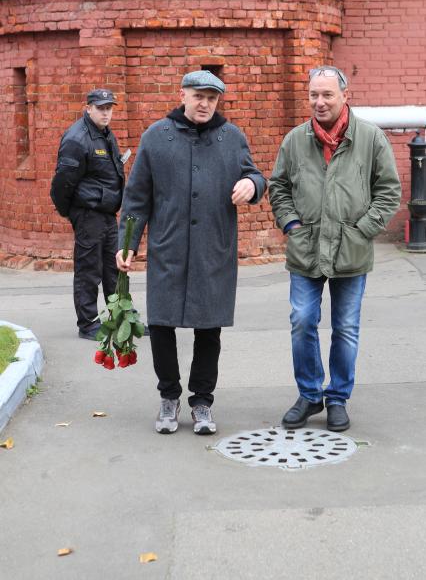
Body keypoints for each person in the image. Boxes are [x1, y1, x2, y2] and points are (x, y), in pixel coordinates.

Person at [116, 70, 266, 435]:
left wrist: (251, 184)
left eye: (212, 98)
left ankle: (202, 402)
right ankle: (169, 397)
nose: (205, 104)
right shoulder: (156, 137)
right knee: (162, 324)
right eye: (199, 96)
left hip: (213, 249)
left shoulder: (231, 137)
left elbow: (257, 176)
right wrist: (127, 243)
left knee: (208, 327)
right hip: (168, 248)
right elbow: (137, 198)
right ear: (182, 94)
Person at [269, 66, 401, 432]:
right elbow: (278, 186)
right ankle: (310, 395)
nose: (320, 101)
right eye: (314, 95)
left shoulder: (371, 139)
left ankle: (338, 398)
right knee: (302, 321)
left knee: (345, 327)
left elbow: (389, 190)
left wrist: (363, 231)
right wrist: (292, 226)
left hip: (351, 250)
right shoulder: (295, 140)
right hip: (306, 247)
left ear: (345, 95)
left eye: (327, 94)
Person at [50, 89, 125, 340]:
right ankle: (88, 323)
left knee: (114, 268)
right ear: (89, 107)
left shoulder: (104, 133)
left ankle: (121, 318)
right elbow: (62, 183)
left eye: (109, 108)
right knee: (89, 270)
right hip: (88, 214)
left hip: (106, 213)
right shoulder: (77, 138)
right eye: (101, 107)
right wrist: (71, 212)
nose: (106, 112)